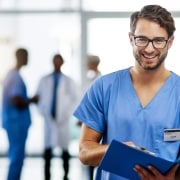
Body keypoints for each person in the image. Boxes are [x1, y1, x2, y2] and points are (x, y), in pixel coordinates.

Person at [73, 5, 180, 180]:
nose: (149, 49)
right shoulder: (104, 87)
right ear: (131, 38)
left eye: (158, 40)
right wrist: (116, 151)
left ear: (170, 42)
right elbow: (84, 152)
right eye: (142, 39)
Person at [36, 53, 79, 180]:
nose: (57, 63)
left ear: (62, 63)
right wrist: (43, 111)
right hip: (49, 119)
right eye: (55, 61)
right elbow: (38, 98)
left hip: (63, 120)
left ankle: (66, 175)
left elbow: (75, 99)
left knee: (65, 150)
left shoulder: (68, 81)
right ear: (52, 62)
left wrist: (66, 113)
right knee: (47, 151)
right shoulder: (44, 80)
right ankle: (47, 176)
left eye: (59, 61)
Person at [1, 48, 38, 180]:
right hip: (16, 123)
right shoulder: (15, 76)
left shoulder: (12, 74)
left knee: (15, 156)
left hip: (13, 122)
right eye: (26, 56)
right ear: (20, 57)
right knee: (17, 157)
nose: (28, 59)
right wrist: (32, 100)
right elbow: (16, 101)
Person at [77, 55, 101, 180]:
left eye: (89, 63)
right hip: (88, 119)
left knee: (93, 151)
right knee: (88, 150)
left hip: (95, 121)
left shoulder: (100, 81)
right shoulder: (89, 80)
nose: (87, 65)